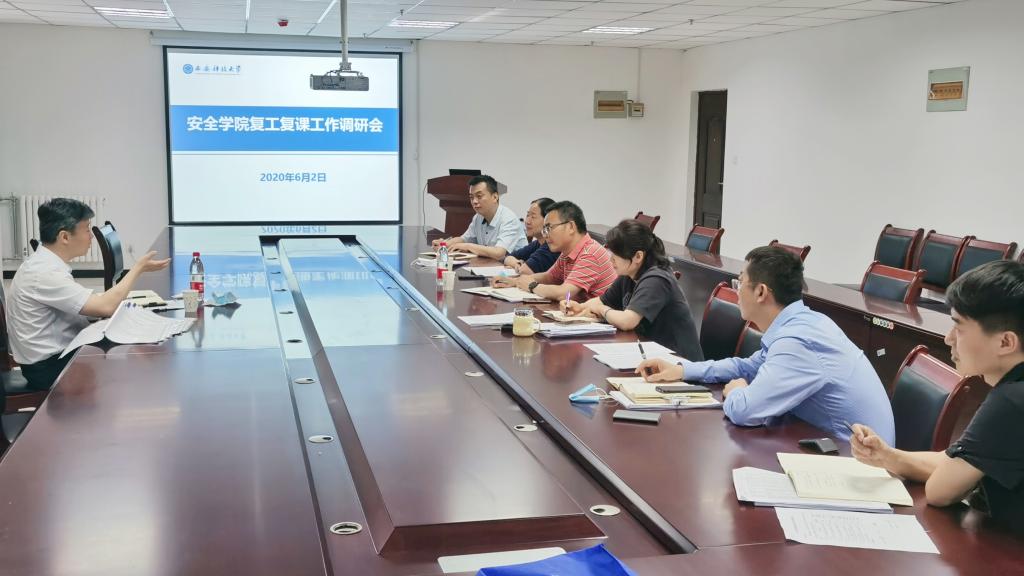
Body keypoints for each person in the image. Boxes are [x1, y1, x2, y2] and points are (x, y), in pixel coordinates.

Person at [636, 246, 894, 443]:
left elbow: (745, 411)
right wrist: (682, 370)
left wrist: (736, 391)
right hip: (828, 443)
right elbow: (747, 366)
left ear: (761, 292)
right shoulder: (805, 322)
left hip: (857, 461)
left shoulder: (798, 341)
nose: (736, 291)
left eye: (740, 283)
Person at [851, 261, 1024, 533]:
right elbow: (958, 461)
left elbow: (940, 491)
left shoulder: (1011, 402)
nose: (948, 338)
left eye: (959, 328)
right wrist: (887, 456)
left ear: (1006, 342)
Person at [5, 198, 170, 390]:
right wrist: (138, 268)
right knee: (130, 359)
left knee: (131, 343)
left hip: (59, 354)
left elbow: (88, 303)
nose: (91, 236)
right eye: (86, 229)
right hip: (49, 367)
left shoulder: (45, 264)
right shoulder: (43, 273)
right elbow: (107, 307)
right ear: (64, 237)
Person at [562, 219, 703, 361]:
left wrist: (601, 310)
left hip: (680, 363)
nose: (611, 260)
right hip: (650, 354)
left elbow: (627, 321)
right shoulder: (628, 275)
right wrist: (578, 307)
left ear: (638, 256)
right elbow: (601, 301)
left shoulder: (657, 279)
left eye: (615, 255)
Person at [492, 201, 616, 302]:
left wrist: (532, 286)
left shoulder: (590, 253)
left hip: (600, 321)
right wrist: (515, 282)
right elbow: (550, 277)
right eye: (544, 230)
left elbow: (564, 293)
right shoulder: (567, 252)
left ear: (571, 227)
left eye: (549, 228)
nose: (545, 235)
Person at [431, 175, 527, 260]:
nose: (474, 201)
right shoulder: (478, 217)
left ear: (495, 197)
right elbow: (464, 239)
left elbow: (499, 253)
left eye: (479, 196)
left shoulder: (509, 219)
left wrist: (467, 246)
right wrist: (445, 244)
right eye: (471, 197)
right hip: (490, 265)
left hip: (514, 269)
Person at [502, 197, 559, 275]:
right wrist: (517, 263)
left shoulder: (551, 247)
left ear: (548, 220)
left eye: (533, 217)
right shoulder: (537, 243)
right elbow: (507, 257)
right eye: (528, 215)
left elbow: (525, 271)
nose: (527, 221)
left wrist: (520, 266)